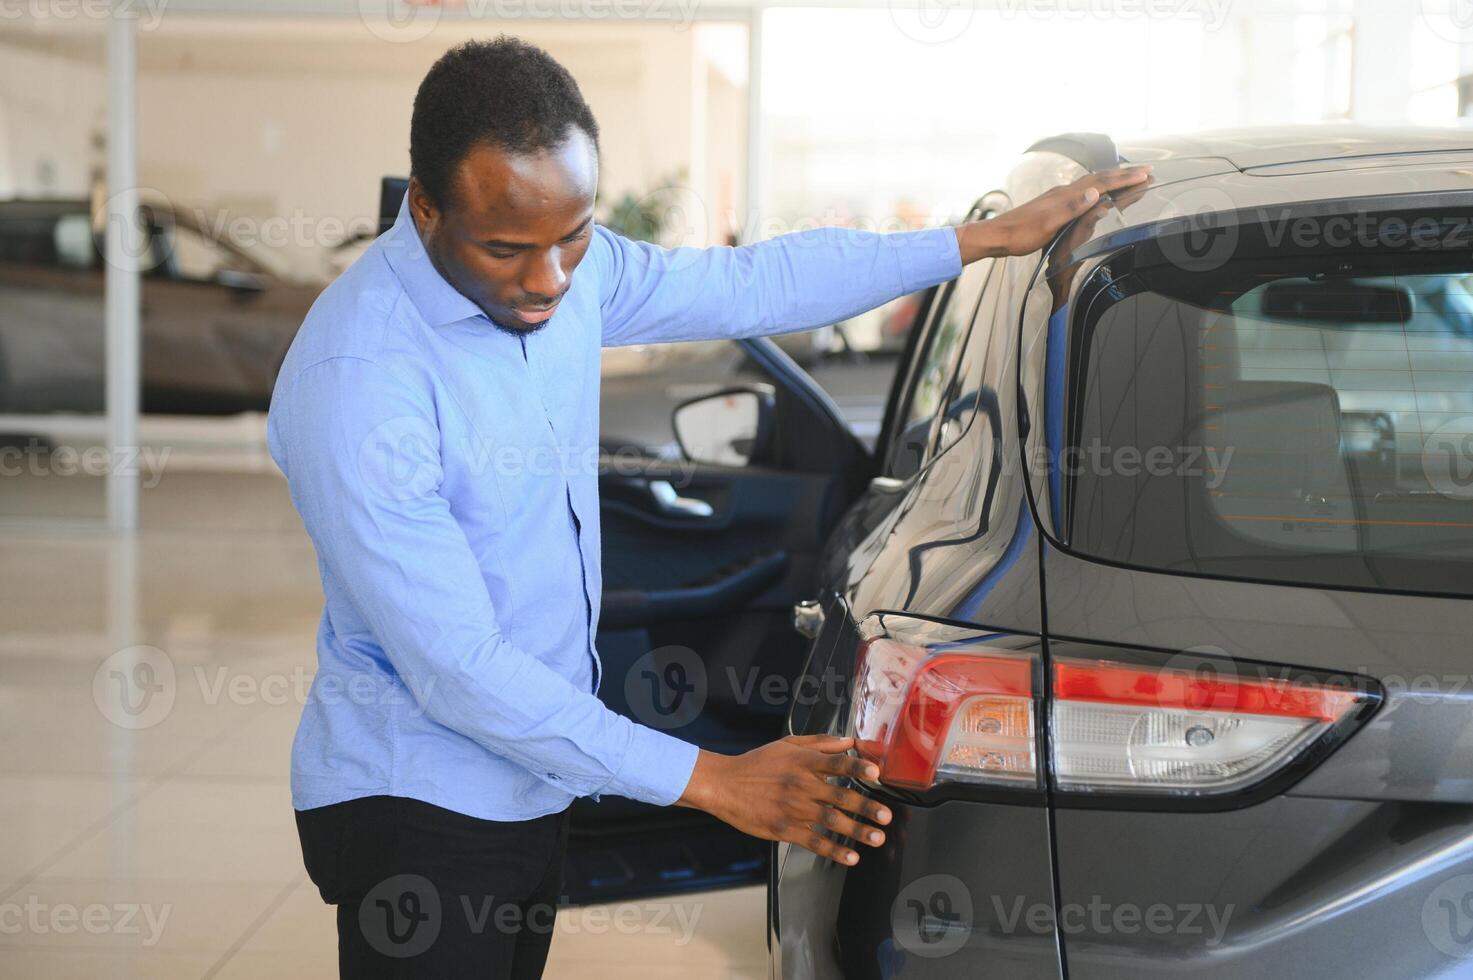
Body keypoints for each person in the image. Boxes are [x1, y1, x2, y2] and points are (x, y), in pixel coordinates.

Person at [268, 35, 1150, 980]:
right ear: (423, 206)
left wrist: (971, 242)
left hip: (529, 778)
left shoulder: (563, 268)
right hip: (423, 805)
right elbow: (458, 670)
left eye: (572, 237)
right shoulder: (361, 383)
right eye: (506, 249)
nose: (550, 282)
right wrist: (716, 779)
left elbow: (751, 284)